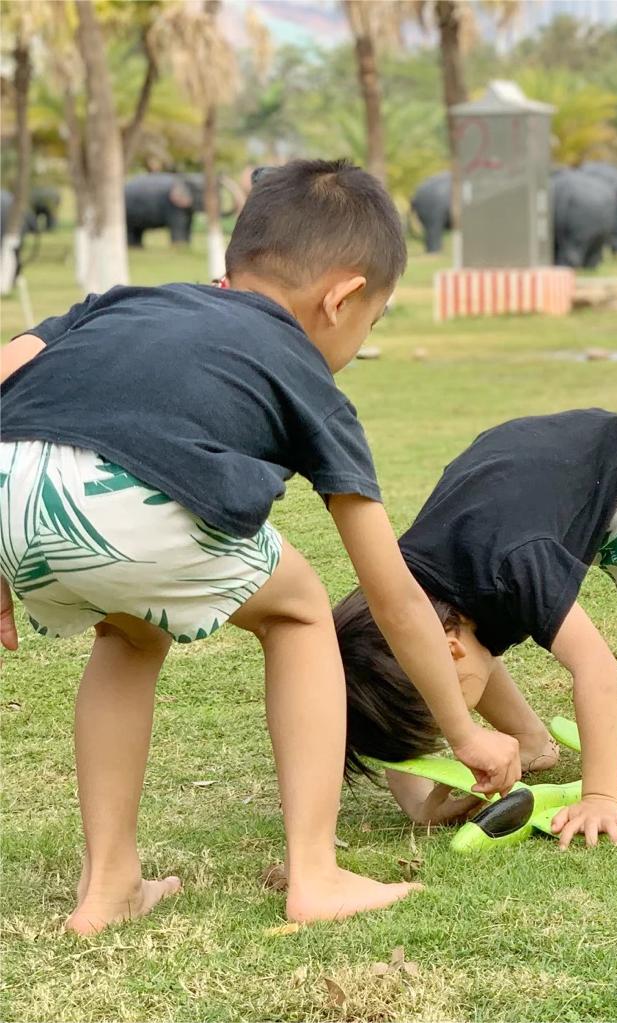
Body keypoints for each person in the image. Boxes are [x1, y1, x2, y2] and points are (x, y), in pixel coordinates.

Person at [0, 159, 519, 935]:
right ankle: (315, 872)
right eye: (370, 323)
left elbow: (12, 359)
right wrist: (464, 727)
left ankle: (108, 884)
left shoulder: (129, 300)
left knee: (131, 630)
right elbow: (391, 595)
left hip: (11, 480)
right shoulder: (306, 374)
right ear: (341, 297)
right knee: (302, 610)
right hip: (119, 497)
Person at [335, 409, 617, 844]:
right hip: (521, 478)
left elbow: (596, 667)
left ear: (449, 650)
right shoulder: (402, 601)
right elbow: (402, 686)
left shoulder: (516, 568)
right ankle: (530, 741)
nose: (455, 724)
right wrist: (419, 803)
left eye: (452, 715)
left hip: (609, 470)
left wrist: (600, 797)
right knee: (478, 651)